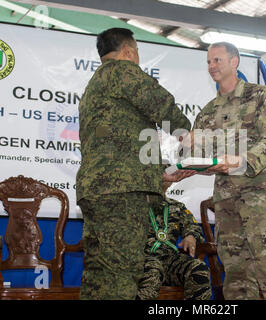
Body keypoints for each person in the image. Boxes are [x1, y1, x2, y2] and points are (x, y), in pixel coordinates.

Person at [76, 28, 191, 300]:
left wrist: (158, 174)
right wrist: (186, 133)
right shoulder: (122, 71)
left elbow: (119, 139)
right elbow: (160, 103)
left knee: (98, 274)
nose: (137, 58)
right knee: (122, 273)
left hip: (99, 190)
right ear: (128, 51)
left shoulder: (95, 86)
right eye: (137, 51)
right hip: (121, 193)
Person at [189, 42, 266, 300]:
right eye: (208, 62)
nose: (211, 66)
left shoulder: (260, 96)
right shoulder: (207, 113)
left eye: (217, 60)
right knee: (235, 276)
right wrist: (188, 152)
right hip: (226, 202)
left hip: (259, 195)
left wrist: (241, 161)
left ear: (234, 62)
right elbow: (204, 161)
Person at [137, 179, 212, 300]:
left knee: (199, 268)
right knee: (153, 271)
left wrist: (191, 235)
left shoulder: (177, 207)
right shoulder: (135, 205)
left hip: (171, 261)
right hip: (143, 259)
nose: (163, 179)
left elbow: (192, 226)